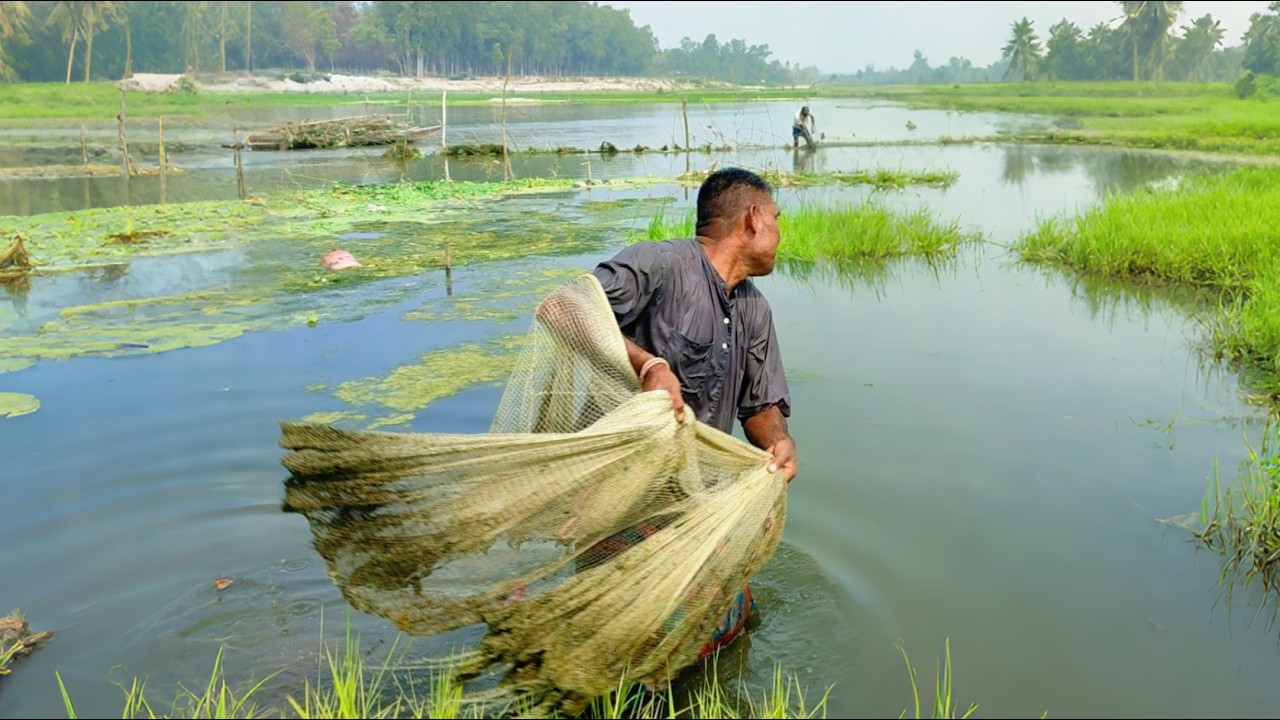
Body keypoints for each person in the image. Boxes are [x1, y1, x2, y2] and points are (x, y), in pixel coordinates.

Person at [591, 166, 799, 656]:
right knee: (626, 642)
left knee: (718, 630)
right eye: (776, 218)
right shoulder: (660, 264)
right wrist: (649, 365)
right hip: (624, 497)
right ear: (752, 220)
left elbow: (760, 405)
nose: (779, 232)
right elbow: (568, 310)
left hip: (693, 499)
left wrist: (778, 442)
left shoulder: (754, 308)